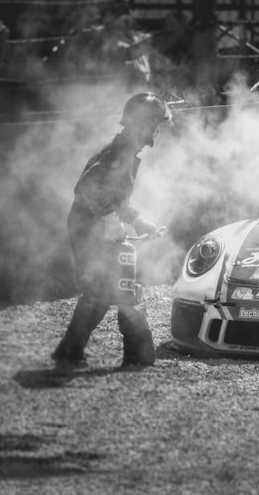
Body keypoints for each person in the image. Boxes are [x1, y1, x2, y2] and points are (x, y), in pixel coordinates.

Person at [51, 92, 171, 368]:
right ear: (142, 124)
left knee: (100, 291)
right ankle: (138, 356)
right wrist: (109, 221)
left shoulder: (123, 151)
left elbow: (115, 199)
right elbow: (85, 189)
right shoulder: (118, 154)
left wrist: (138, 220)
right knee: (119, 287)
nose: (156, 130)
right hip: (89, 229)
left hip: (89, 226)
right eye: (154, 123)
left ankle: (70, 351)